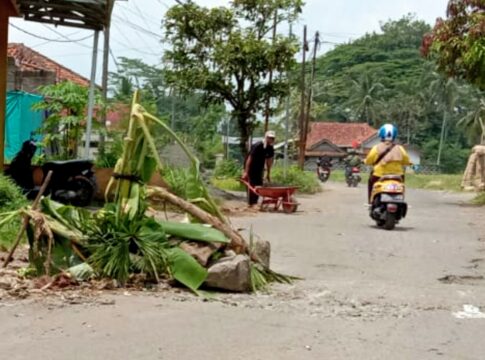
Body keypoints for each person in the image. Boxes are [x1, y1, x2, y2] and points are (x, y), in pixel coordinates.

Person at [365, 124, 411, 203]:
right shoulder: (400, 148)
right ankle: (401, 200)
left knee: (370, 182)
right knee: (401, 187)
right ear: (394, 135)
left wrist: (366, 161)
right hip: (398, 176)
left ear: (381, 135)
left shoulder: (376, 148)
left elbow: (369, 160)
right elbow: (406, 161)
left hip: (379, 175)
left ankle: (370, 202)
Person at [242, 131, 275, 207]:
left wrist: (268, 174)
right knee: (251, 184)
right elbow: (249, 158)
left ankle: (255, 202)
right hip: (251, 167)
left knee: (259, 185)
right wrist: (246, 172)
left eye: (272, 138)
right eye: (269, 137)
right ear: (266, 137)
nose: (271, 139)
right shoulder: (258, 145)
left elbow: (269, 161)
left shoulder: (270, 148)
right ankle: (251, 203)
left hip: (259, 168)